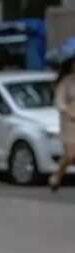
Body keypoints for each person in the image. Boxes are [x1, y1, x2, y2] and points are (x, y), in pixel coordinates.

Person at [52, 57, 75, 192]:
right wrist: (68, 112)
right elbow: (60, 102)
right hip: (69, 122)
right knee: (70, 155)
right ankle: (57, 176)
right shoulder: (66, 82)